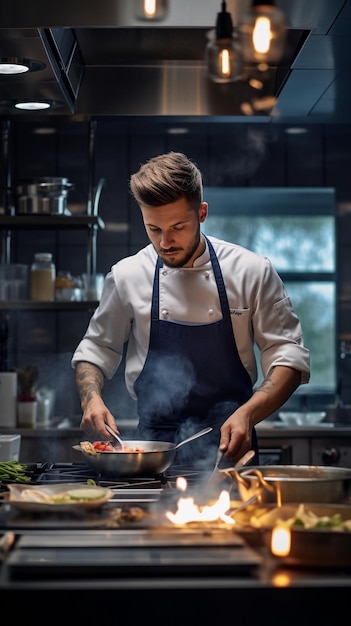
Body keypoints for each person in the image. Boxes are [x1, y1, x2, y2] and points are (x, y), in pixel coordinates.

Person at [72, 151, 310, 469]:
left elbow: (288, 358)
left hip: (232, 446)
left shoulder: (251, 270)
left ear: (202, 213)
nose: (165, 242)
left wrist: (248, 413)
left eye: (178, 227)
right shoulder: (128, 274)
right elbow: (96, 351)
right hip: (152, 452)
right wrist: (91, 400)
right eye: (153, 229)